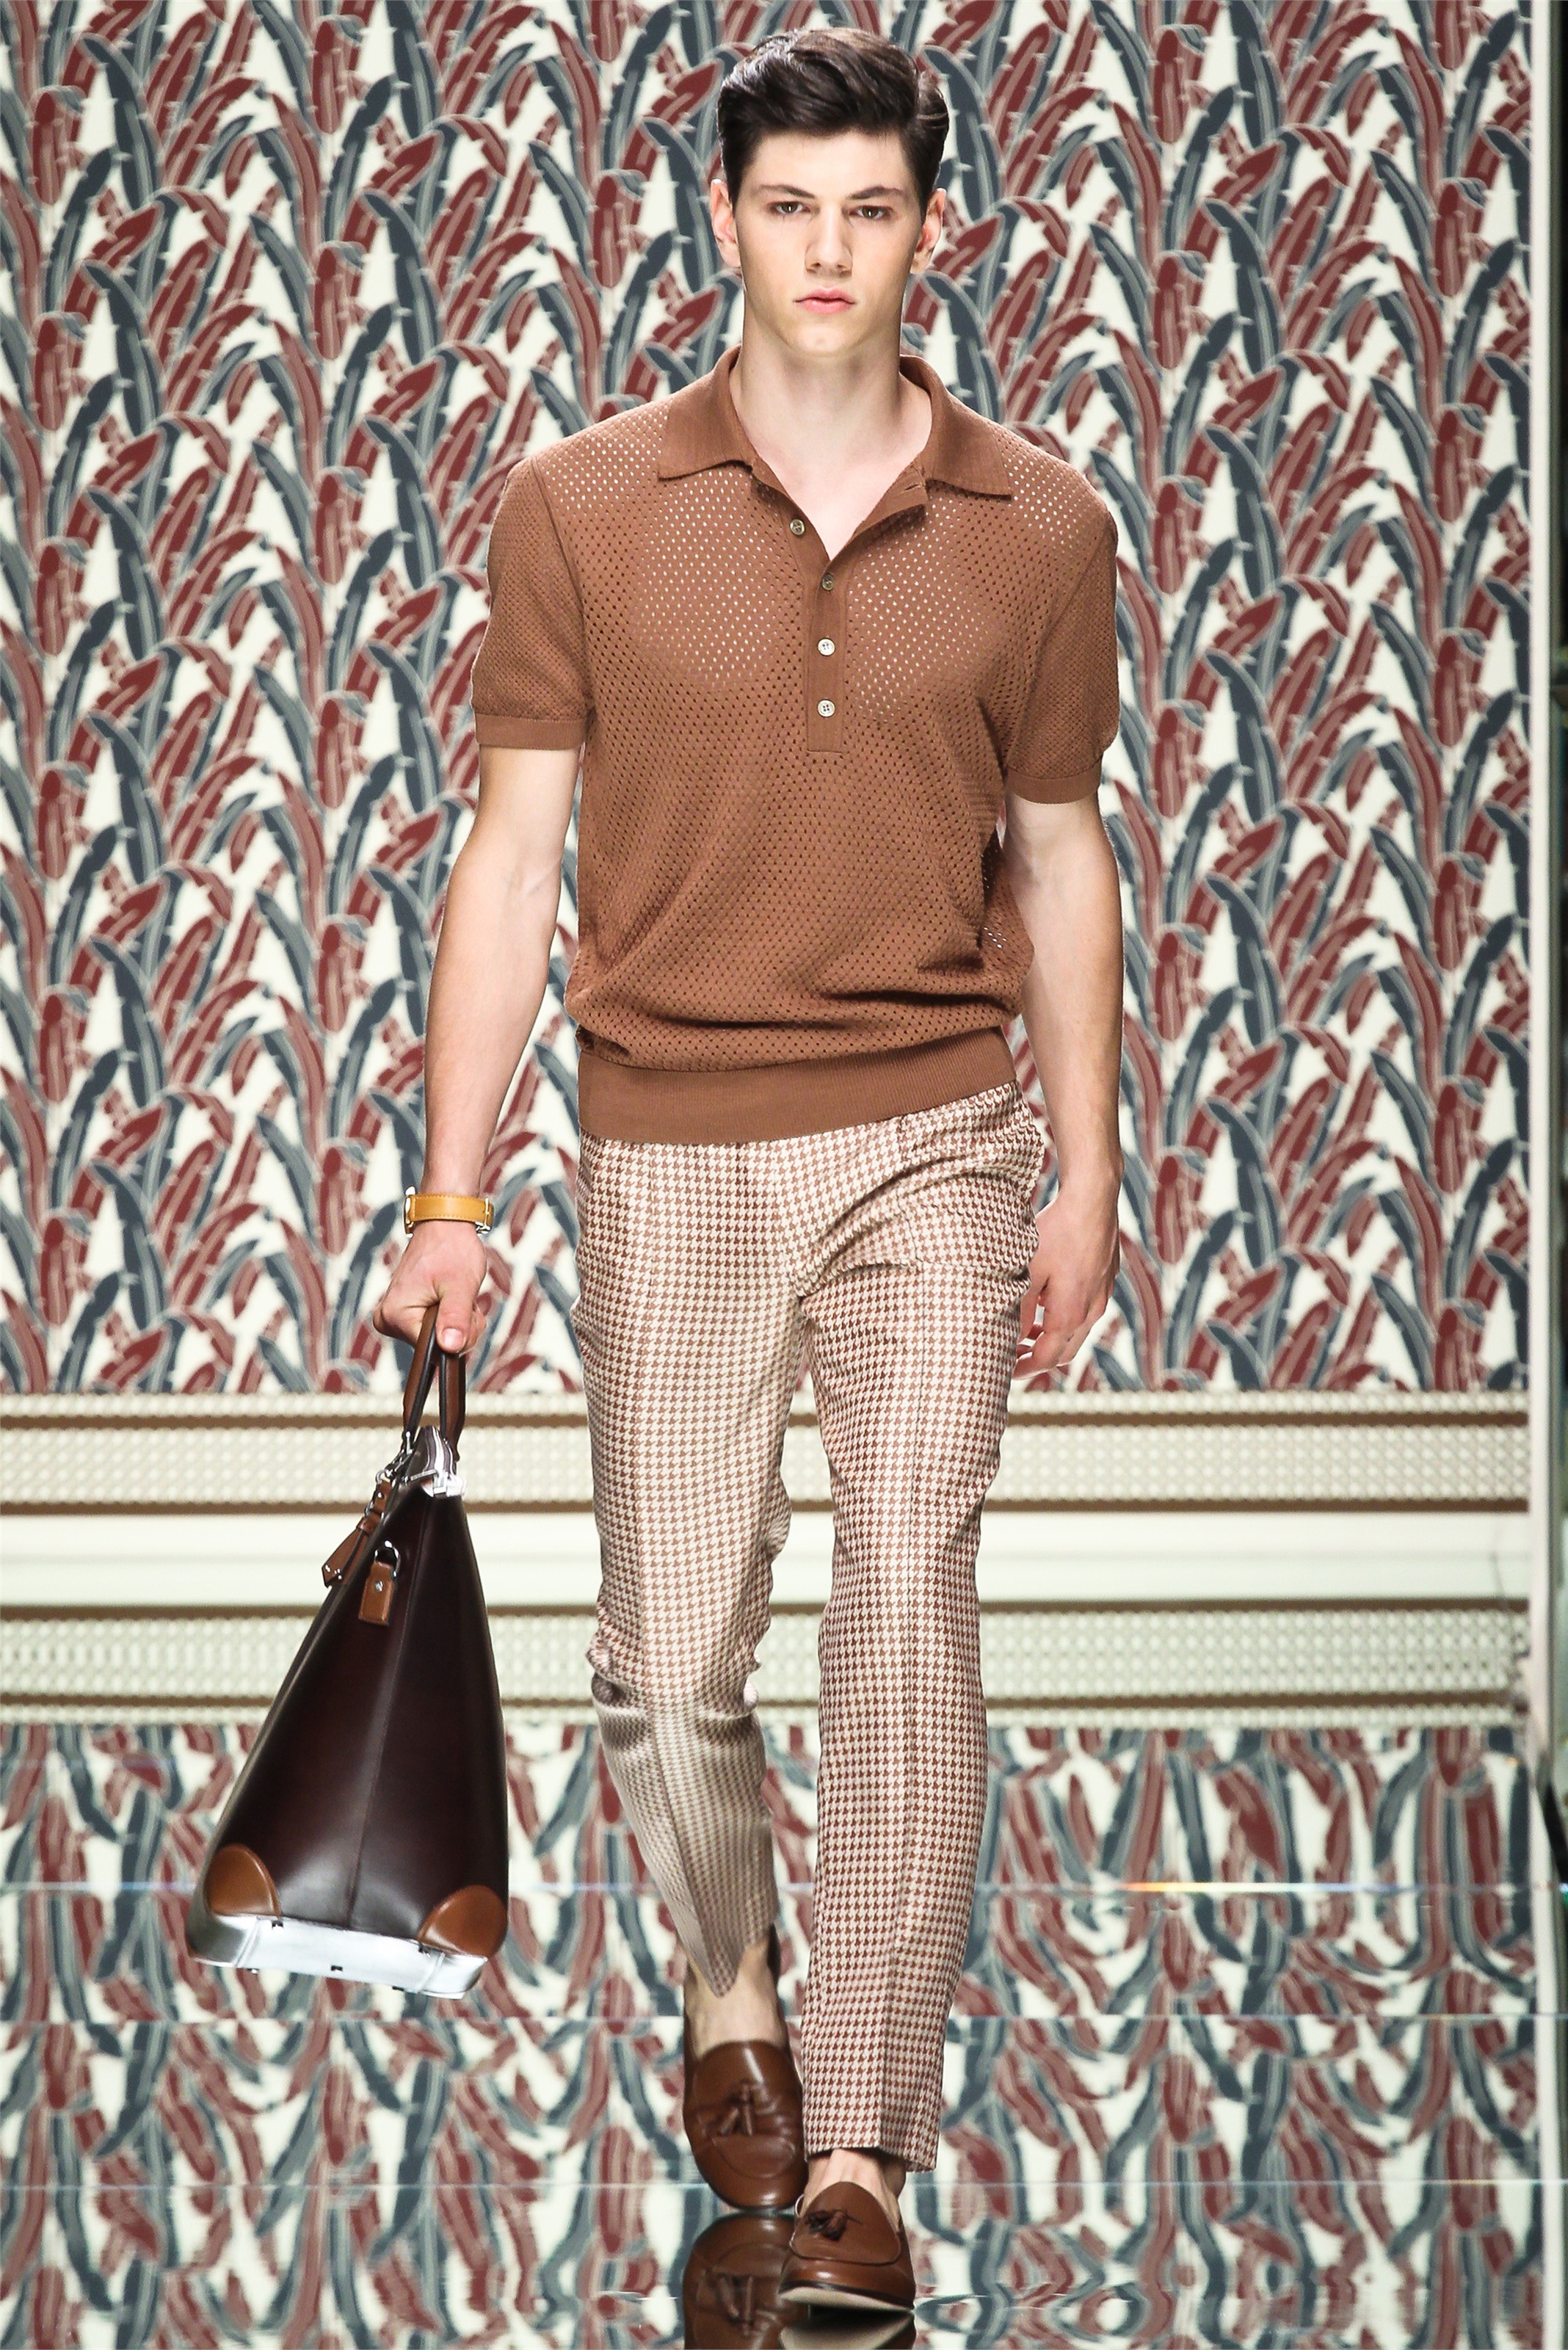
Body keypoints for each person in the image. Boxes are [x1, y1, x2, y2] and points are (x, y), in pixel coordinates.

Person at [374, 24, 1123, 2321]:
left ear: (931, 229)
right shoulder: (582, 504)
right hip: (673, 1139)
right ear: (724, 219)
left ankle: (871, 2137)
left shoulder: (1040, 526)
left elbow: (1065, 859)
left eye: (870, 210)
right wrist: (450, 1198)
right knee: (667, 1654)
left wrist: (1087, 1169)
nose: (828, 251)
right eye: (789, 207)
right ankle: (732, 1987)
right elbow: (512, 863)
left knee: (908, 1601)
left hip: (934, 1134)